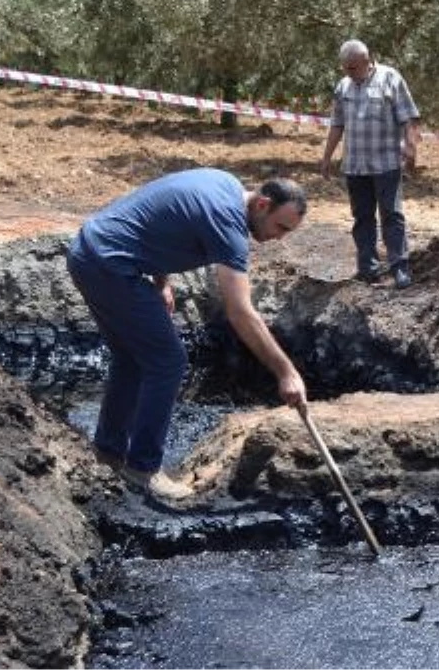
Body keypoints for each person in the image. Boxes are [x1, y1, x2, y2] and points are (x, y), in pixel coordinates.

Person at [66, 169, 310, 500]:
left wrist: (161, 280)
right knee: (169, 362)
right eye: (280, 227)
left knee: (131, 358)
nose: (280, 237)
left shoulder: (224, 182)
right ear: (263, 204)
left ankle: (109, 452)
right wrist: (286, 372)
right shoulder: (229, 226)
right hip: (111, 265)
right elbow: (240, 312)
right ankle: (143, 468)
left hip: (88, 251)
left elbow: (160, 221)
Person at [321, 39, 421, 289]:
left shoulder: (391, 78)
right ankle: (368, 269)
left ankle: (400, 267)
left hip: (386, 163)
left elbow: (408, 118)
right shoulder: (343, 86)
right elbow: (337, 124)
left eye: (353, 67)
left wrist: (411, 148)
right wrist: (326, 157)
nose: (349, 73)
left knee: (392, 215)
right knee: (362, 218)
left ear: (367, 61)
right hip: (355, 165)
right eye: (345, 68)